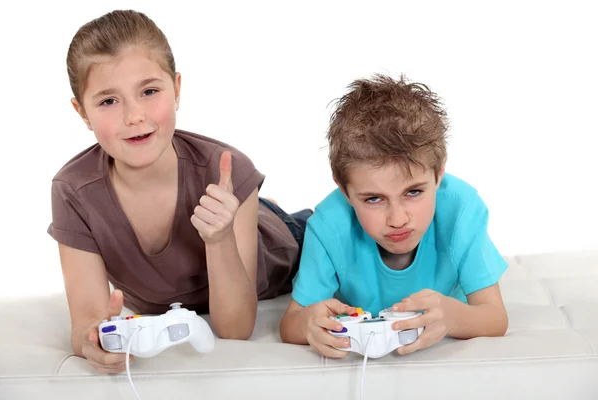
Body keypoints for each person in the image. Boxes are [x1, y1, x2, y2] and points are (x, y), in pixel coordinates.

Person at [47, 9, 312, 374]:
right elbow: (87, 322)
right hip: (223, 212)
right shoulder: (73, 191)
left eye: (149, 91)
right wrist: (93, 341)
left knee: (315, 231)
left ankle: (267, 210)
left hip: (282, 240)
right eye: (109, 101)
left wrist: (220, 239)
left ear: (177, 90)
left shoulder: (227, 169)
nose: (134, 116)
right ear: (82, 113)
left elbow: (234, 330)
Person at [279, 74, 509, 358]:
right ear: (345, 191)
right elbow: (290, 324)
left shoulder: (462, 209)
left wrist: (453, 317)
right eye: (373, 199)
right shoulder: (328, 225)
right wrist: (308, 323)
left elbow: (495, 316)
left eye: (413, 192)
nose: (397, 219)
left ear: (439, 175)